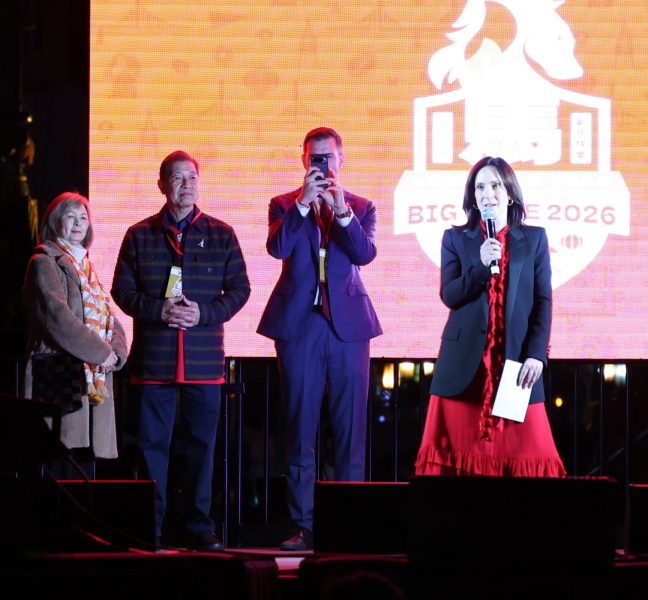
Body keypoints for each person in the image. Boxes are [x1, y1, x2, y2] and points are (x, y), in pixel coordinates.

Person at [111, 150, 250, 551]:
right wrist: (159, 310)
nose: (186, 185)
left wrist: (204, 313)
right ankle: (150, 528)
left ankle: (199, 527)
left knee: (201, 450)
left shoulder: (222, 234)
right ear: (161, 185)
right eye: (177, 178)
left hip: (204, 362)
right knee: (151, 448)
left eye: (192, 178)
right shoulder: (139, 234)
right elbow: (122, 291)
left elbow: (240, 290)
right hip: (153, 360)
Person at [258, 127, 382, 551]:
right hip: (300, 326)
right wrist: (303, 204)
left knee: (350, 430)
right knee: (300, 428)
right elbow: (278, 248)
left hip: (348, 328)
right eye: (315, 158)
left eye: (328, 157)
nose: (322, 164)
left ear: (341, 160)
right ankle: (303, 525)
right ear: (304, 160)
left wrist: (341, 211)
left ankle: (348, 523)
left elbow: (364, 254)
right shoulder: (283, 204)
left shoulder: (361, 206)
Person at [415, 156, 565, 477]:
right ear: (473, 197)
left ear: (509, 193)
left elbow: (543, 300)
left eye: (495, 185)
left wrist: (536, 354)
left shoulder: (534, 238)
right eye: (480, 187)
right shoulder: (455, 238)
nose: (488, 194)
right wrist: (481, 266)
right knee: (457, 462)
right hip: (463, 365)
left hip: (514, 363)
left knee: (531, 455)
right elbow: (450, 295)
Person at [22, 192, 128, 478]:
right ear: (55, 222)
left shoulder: (87, 268)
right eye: (70, 216)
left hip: (93, 376)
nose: (79, 223)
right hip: (59, 375)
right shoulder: (44, 262)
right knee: (61, 461)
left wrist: (117, 352)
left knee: (86, 466)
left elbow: (109, 317)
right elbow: (57, 317)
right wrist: (101, 352)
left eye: (83, 217)